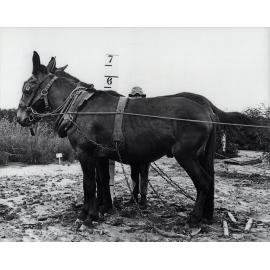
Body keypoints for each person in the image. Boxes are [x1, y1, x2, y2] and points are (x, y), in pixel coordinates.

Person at [128, 87, 149, 209]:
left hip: (145, 149)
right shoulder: (129, 113)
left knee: (144, 173)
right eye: (134, 96)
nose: (136, 98)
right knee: (134, 173)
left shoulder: (146, 112)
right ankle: (134, 196)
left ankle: (144, 199)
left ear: (142, 97)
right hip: (132, 149)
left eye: (138, 96)